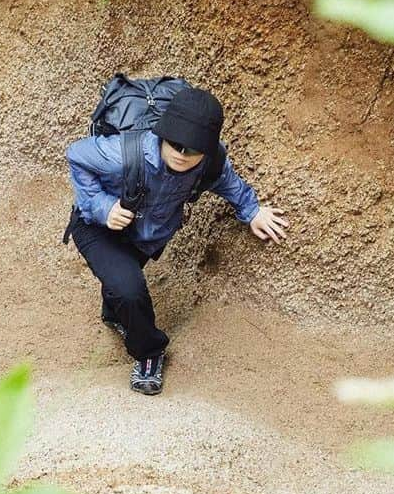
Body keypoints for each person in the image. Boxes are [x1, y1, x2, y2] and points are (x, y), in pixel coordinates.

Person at [65, 83, 287, 396]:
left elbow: (228, 182)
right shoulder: (122, 154)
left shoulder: (209, 163)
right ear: (162, 133)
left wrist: (252, 211)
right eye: (176, 144)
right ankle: (150, 353)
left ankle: (114, 313)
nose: (182, 154)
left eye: (193, 148)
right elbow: (76, 154)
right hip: (98, 227)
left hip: (146, 234)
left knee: (123, 285)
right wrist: (104, 207)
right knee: (129, 287)